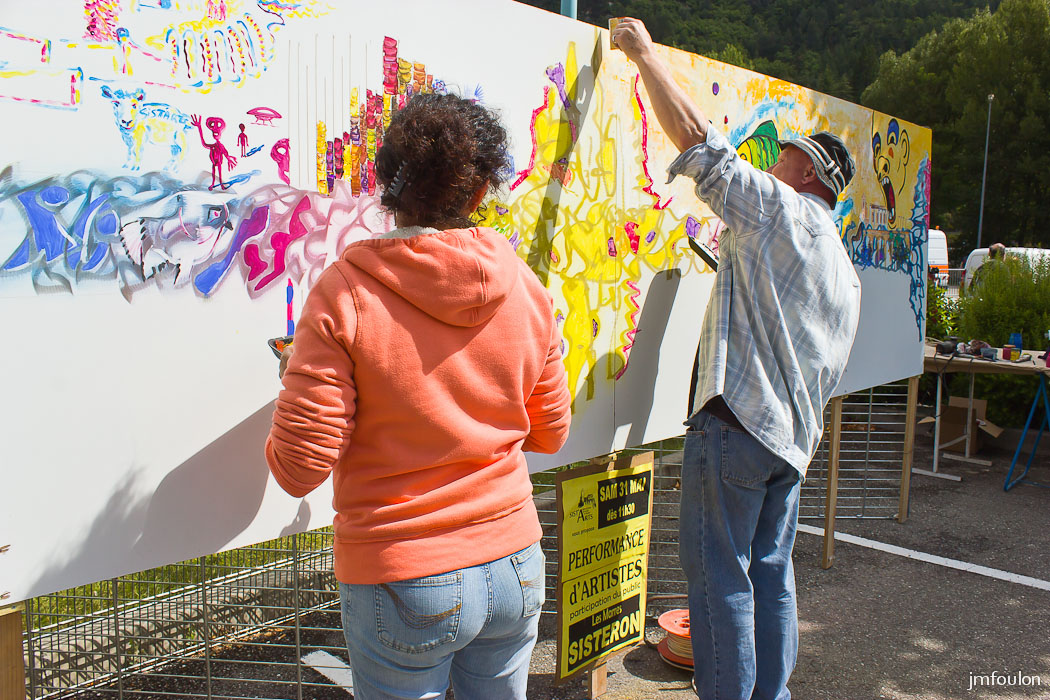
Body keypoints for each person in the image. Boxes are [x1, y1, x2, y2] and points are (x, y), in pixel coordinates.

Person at [265, 93, 572, 700]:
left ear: (388, 186)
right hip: (515, 560)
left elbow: (299, 471)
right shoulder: (527, 288)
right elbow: (550, 431)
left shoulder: (346, 293)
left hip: (403, 574)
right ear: (480, 192)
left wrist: (296, 384)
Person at [612, 19, 862, 700]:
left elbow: (700, 143)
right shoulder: (844, 268)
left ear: (805, 171)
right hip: (790, 446)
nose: (772, 161)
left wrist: (643, 53)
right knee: (770, 574)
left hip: (738, 427)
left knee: (718, 577)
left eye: (783, 156)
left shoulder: (779, 209)